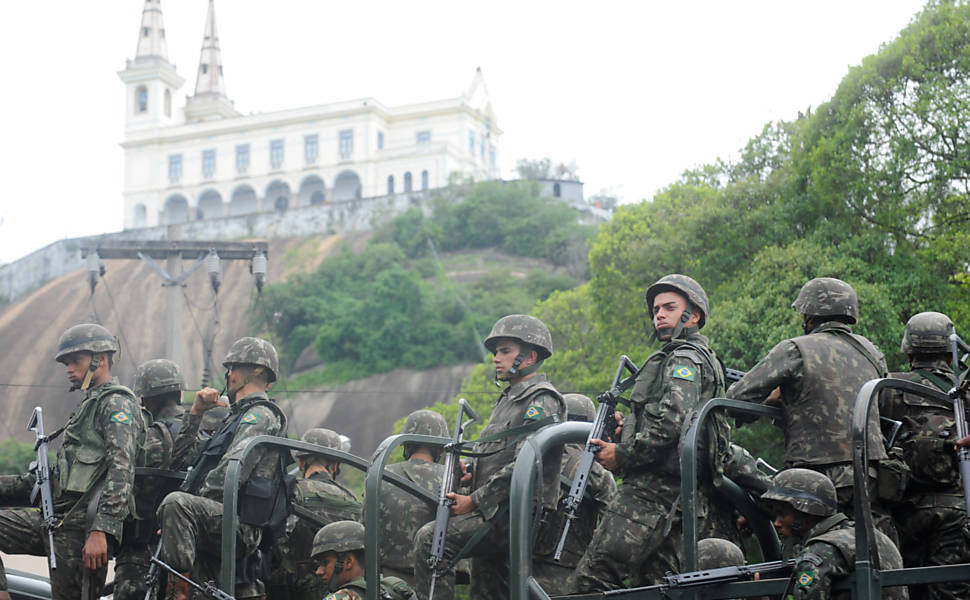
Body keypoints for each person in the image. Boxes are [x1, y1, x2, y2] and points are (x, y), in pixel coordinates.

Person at [569, 274, 730, 592]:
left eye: (670, 307)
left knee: (591, 582)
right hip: (675, 497)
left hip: (651, 495)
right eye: (656, 309)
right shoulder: (684, 358)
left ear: (693, 315)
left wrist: (622, 454)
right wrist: (623, 432)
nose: (659, 314)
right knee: (655, 588)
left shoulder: (684, 358)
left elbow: (672, 422)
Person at [726, 277, 895, 541]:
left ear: (809, 314)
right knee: (873, 554)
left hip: (816, 480)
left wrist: (772, 401)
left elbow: (735, 399)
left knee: (813, 555)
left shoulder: (795, 349)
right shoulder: (873, 353)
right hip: (871, 476)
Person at [413, 314, 566, 600]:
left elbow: (526, 464)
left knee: (432, 540)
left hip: (516, 514)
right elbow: (501, 454)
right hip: (497, 512)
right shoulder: (509, 400)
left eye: (505, 351)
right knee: (487, 592)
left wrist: (474, 500)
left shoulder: (541, 400)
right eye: (496, 352)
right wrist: (471, 468)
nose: (496, 358)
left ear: (530, 356)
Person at [0, 323, 145, 600]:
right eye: (66, 362)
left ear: (99, 360)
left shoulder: (116, 404)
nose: (68, 368)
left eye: (75, 361)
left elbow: (122, 469)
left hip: (83, 529)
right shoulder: (87, 407)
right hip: (57, 519)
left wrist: (102, 530)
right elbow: (57, 478)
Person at [157, 336, 288, 600]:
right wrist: (195, 413)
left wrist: (188, 511)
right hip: (220, 516)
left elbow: (231, 473)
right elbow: (181, 459)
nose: (228, 375)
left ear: (251, 371)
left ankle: (176, 592)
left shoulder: (260, 415)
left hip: (239, 524)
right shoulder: (234, 419)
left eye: (233, 368)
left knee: (176, 504)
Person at [880, 311, 970, 600]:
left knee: (908, 587)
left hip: (904, 510)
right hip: (958, 510)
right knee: (952, 589)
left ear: (909, 352)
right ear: (949, 353)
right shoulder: (964, 392)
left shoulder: (888, 388)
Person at [762, 469, 907, 600]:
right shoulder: (872, 535)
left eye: (782, 514)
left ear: (804, 512)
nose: (777, 523)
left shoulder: (819, 551)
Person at [113, 358, 187, 600]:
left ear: (147, 398)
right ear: (177, 392)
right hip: (187, 547)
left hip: (142, 545)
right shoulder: (207, 430)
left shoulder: (152, 436)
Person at [532, 393, 617, 596]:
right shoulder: (596, 472)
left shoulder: (531, 458)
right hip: (569, 576)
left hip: (519, 571)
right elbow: (612, 529)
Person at [269, 428, 361, 600]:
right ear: (335, 465)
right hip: (341, 592)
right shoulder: (352, 498)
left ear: (302, 463)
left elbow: (276, 542)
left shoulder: (292, 491)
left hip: (294, 590)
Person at [377, 409, 450, 586]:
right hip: (437, 579)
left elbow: (367, 525)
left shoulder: (381, 474)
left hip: (391, 581)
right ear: (440, 448)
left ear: (406, 445)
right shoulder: (452, 477)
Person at [311, 520, 417, 600]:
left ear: (348, 561)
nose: (318, 571)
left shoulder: (342, 597)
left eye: (325, 563)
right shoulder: (396, 589)